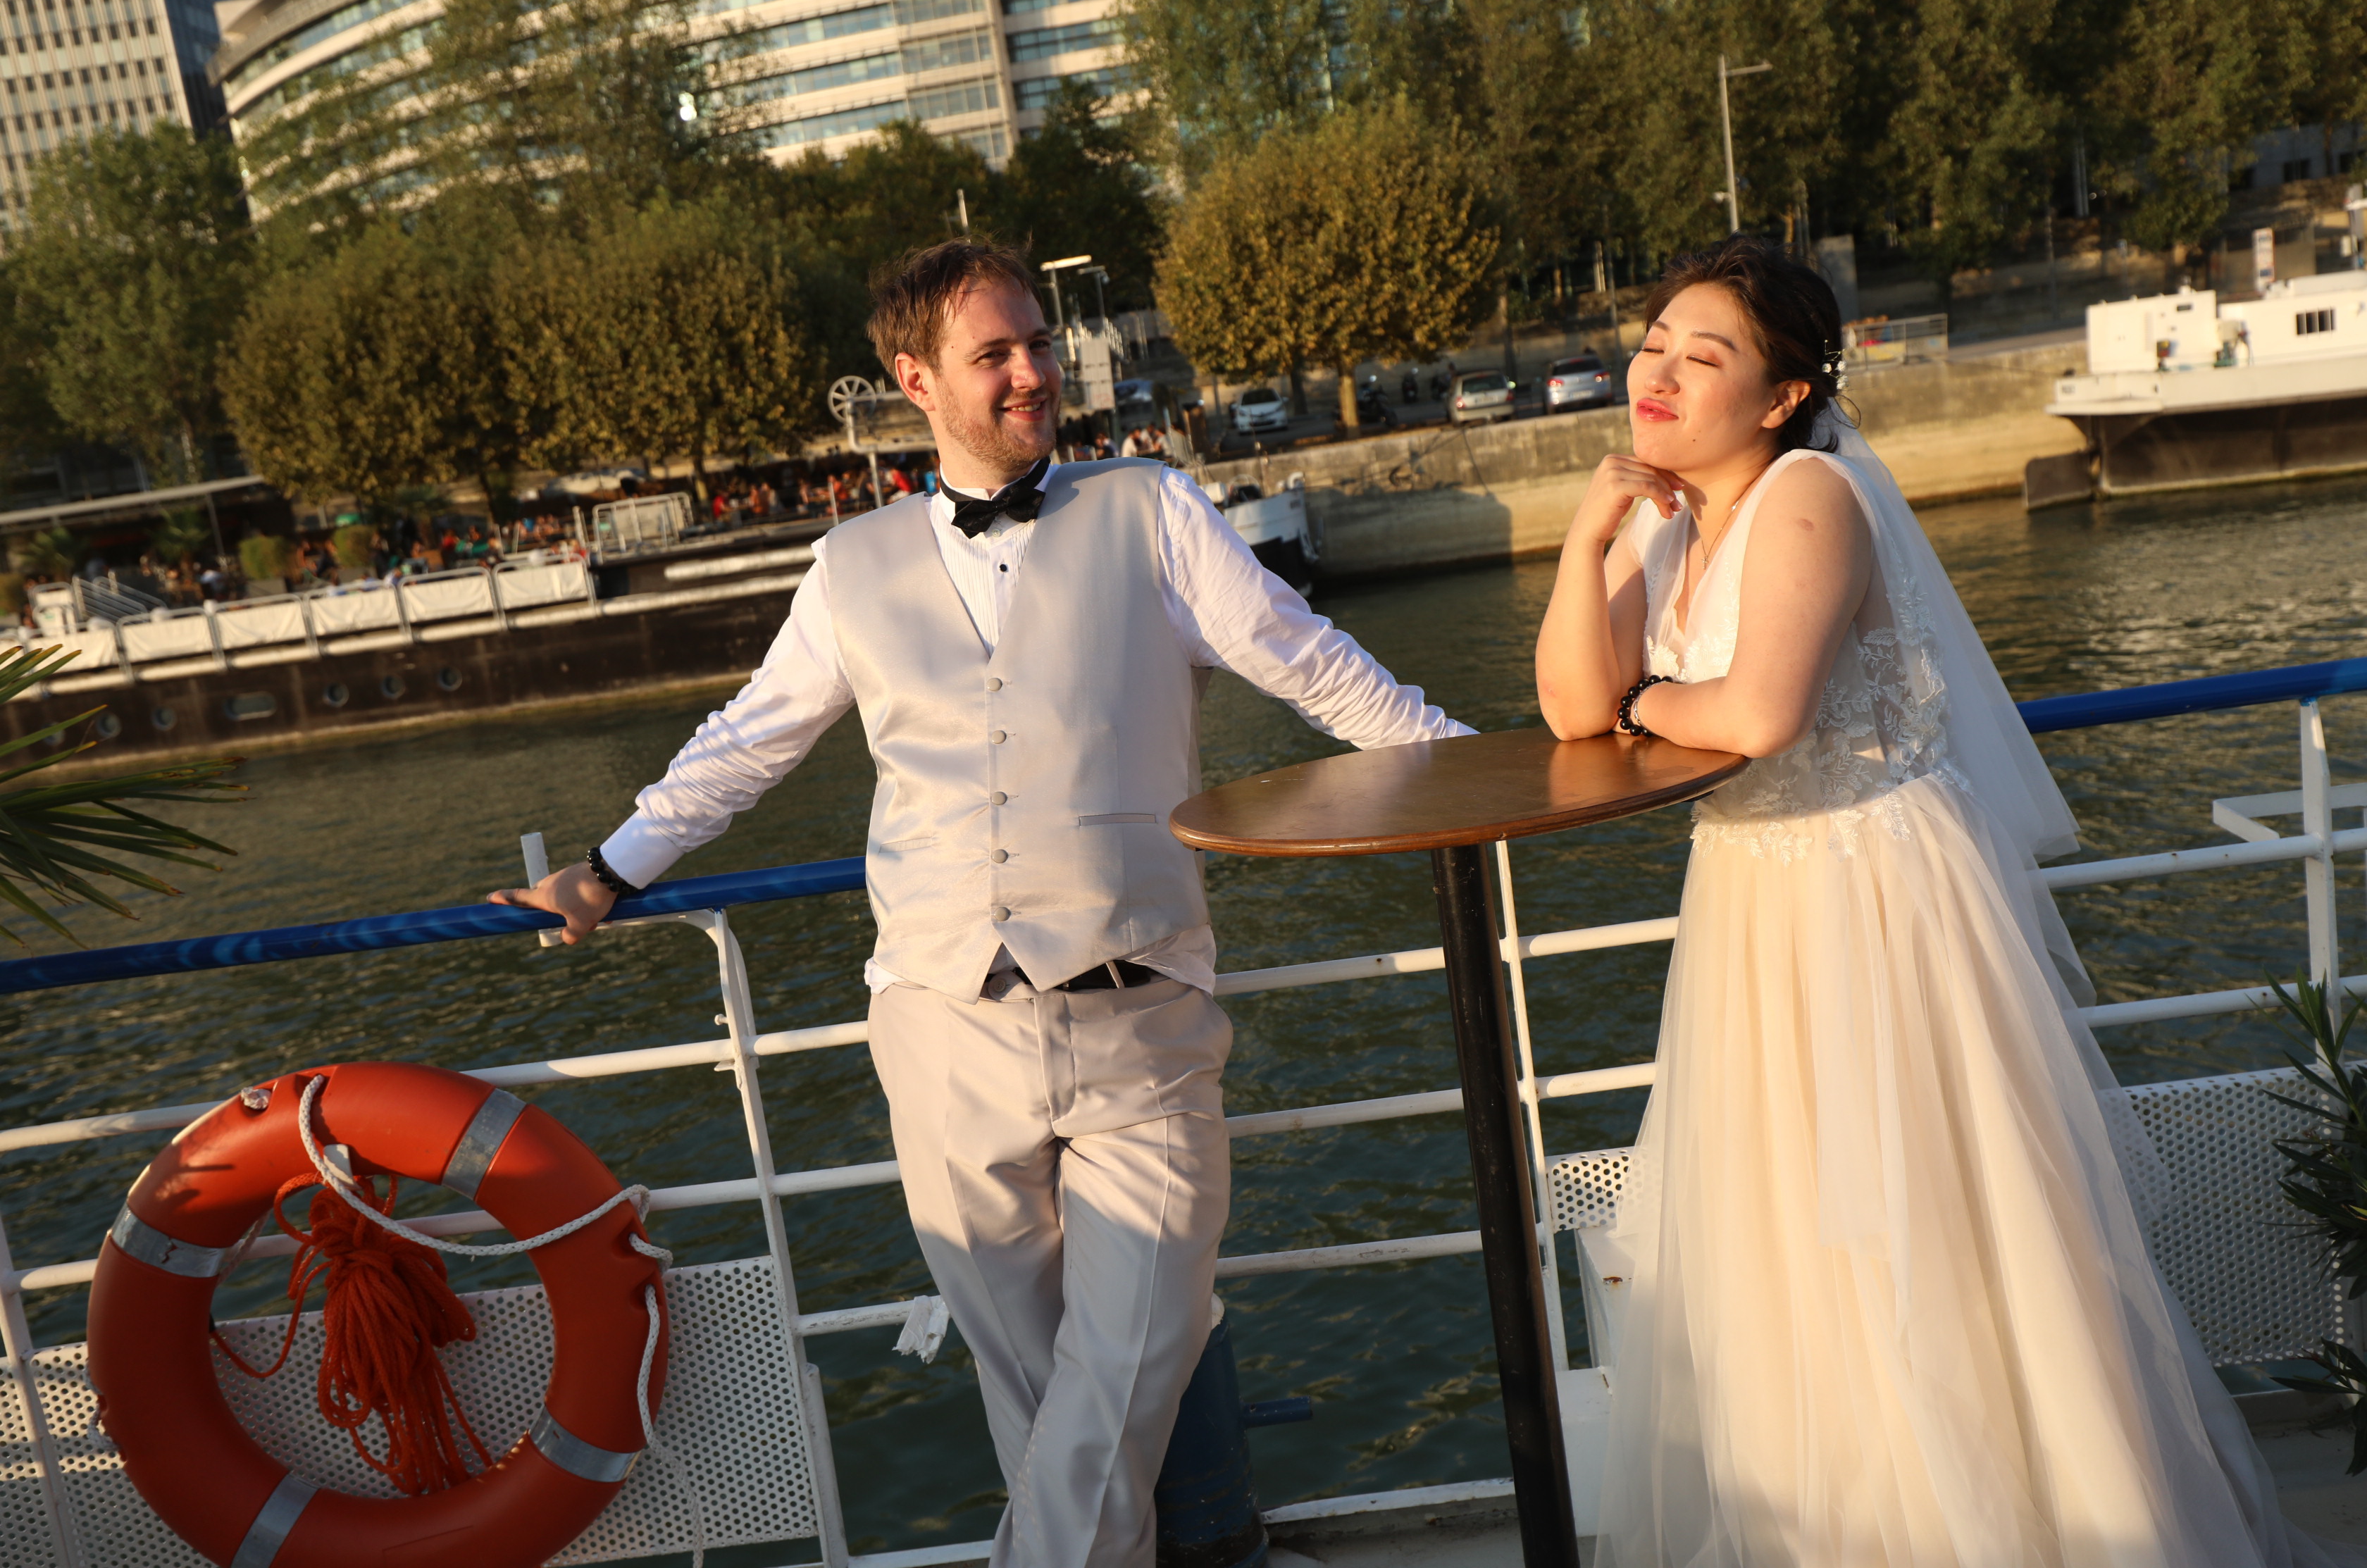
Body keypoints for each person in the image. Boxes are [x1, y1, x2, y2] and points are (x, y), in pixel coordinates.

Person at [489, 239, 1469, 1568]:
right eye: (995, 354)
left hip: (1140, 1016)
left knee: (1129, 1361)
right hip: (942, 1027)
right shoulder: (850, 566)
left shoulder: (1153, 510)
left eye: (1039, 345)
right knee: (1032, 1393)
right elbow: (749, 741)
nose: (1033, 374)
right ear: (915, 381)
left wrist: (1475, 771)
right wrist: (609, 872)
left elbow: (1316, 667)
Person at [1535, 237, 2354, 1567]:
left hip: (1871, 897)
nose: (1661, 374)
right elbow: (1574, 709)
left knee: (1932, 1229)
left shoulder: (1809, 497)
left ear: (1786, 394)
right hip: (1751, 903)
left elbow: (1757, 714)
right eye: (1653, 346)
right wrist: (1589, 541)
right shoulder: (1668, 518)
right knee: (1795, 1241)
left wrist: (1641, 701)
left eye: (1705, 354)